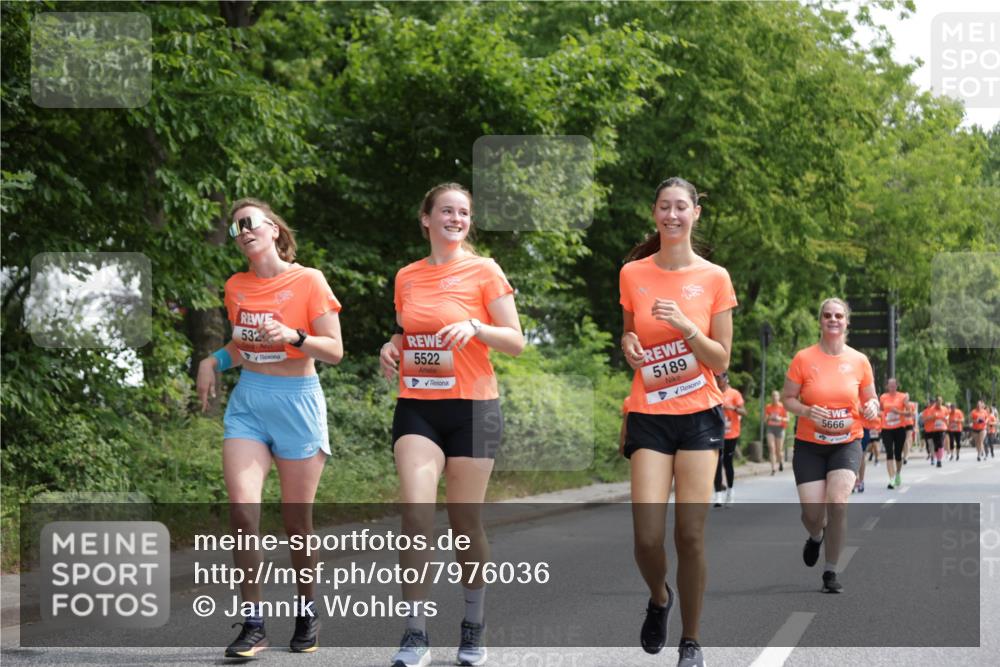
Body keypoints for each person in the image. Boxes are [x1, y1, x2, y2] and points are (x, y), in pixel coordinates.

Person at [379, 183, 524, 667]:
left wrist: (477, 327)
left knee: (465, 523)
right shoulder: (406, 276)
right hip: (418, 407)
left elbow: (515, 341)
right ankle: (415, 631)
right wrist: (391, 347)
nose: (456, 218)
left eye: (463, 212)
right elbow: (405, 332)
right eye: (446, 210)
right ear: (426, 218)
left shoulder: (485, 270)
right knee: (416, 515)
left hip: (474, 410)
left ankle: (473, 623)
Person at [196, 198, 344, 658]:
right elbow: (243, 346)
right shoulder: (236, 287)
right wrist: (214, 359)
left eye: (250, 223)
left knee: (297, 522)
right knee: (243, 513)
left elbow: (335, 350)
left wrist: (296, 337)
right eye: (236, 227)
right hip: (249, 406)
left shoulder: (309, 280)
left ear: (274, 230)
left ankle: (307, 611)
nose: (242, 231)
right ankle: (254, 623)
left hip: (297, 405)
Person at [619, 177, 737, 667]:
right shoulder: (632, 274)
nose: (672, 215)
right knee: (646, 537)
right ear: (654, 214)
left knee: (689, 534)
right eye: (665, 207)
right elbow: (630, 337)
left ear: (695, 214)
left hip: (699, 417)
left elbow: (721, 359)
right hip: (649, 413)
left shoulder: (714, 278)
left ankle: (691, 640)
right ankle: (660, 598)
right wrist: (627, 346)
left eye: (681, 207)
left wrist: (689, 328)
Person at [781, 298, 879, 594]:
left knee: (837, 502)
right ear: (820, 321)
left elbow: (870, 398)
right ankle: (815, 536)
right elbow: (788, 399)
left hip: (847, 443)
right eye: (827, 315)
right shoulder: (803, 359)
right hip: (810, 445)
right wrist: (808, 411)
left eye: (838, 316)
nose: (833, 320)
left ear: (847, 322)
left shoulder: (860, 361)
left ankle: (830, 571)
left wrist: (873, 406)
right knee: (813, 515)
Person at [713, 372, 746, 506]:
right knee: (717, 463)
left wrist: (732, 408)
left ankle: (730, 493)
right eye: (716, 377)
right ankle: (718, 496)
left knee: (727, 462)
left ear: (726, 379)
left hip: (731, 433)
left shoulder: (734, 394)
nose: (717, 379)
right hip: (716, 433)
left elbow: (744, 411)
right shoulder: (713, 391)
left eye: (719, 377)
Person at [879, 378, 909, 489]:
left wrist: (899, 412)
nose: (892, 387)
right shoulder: (883, 397)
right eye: (890, 385)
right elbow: (881, 410)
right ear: (887, 386)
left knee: (898, 454)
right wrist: (878, 414)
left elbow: (910, 413)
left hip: (899, 428)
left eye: (894, 385)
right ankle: (891, 479)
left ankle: (898, 474)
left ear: (897, 386)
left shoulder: (902, 397)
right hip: (886, 428)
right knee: (889, 453)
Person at [765, 390, 789, 475]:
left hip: (780, 428)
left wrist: (780, 419)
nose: (774, 398)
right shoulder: (768, 407)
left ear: (779, 397)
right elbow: (765, 419)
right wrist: (769, 417)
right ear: (771, 398)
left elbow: (787, 419)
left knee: (779, 450)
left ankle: (781, 462)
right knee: (772, 448)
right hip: (770, 428)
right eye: (773, 396)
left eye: (776, 396)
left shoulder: (783, 407)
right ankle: (773, 469)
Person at [857, 410, 881, 493]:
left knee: (862, 454)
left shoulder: (865, 398)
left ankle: (861, 481)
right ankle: (853, 480)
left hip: (863, 428)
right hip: (849, 426)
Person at [922, 397, 949, 468]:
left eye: (940, 401)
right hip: (932, 430)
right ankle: (933, 457)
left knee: (940, 444)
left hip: (942, 428)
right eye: (937, 401)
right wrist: (932, 417)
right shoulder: (929, 410)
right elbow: (924, 420)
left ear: (942, 401)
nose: (939, 403)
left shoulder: (945, 409)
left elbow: (947, 417)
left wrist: (946, 420)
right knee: (933, 445)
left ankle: (939, 460)